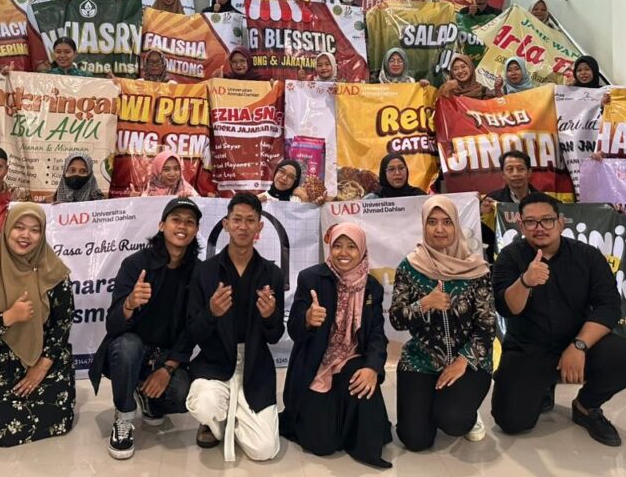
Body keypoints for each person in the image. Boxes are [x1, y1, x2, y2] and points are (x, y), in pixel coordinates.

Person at [491, 193, 626, 447]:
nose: (540, 228)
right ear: (521, 226)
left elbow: (609, 306)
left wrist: (579, 345)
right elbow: (507, 308)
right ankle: (543, 388)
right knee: (511, 421)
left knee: (624, 357)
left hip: (578, 341)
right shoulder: (509, 257)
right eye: (531, 222)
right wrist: (525, 281)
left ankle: (586, 406)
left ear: (560, 223)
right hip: (528, 348)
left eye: (547, 220)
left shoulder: (588, 256)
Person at [90, 197, 201, 459]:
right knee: (127, 347)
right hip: (131, 350)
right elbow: (112, 324)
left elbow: (192, 330)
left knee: (182, 396)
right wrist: (129, 303)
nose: (182, 226)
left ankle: (149, 399)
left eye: (189, 222)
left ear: (196, 230)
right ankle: (124, 415)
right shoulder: (135, 264)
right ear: (162, 225)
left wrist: (167, 369)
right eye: (176, 219)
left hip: (165, 355)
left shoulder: (198, 271)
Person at [0, 203, 75, 447]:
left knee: (57, 417)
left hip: (42, 357)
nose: (25, 235)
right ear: (7, 229)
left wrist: (41, 367)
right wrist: (7, 317)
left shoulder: (54, 273)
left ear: (42, 235)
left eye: (34, 230)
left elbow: (62, 323)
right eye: (19, 227)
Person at [184, 192, 284, 461]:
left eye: (250, 220)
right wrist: (211, 313)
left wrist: (270, 316)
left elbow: (275, 336)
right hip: (215, 362)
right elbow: (193, 331)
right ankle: (215, 423)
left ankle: (235, 416)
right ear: (226, 224)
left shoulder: (271, 274)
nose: (243, 227)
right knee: (204, 405)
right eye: (237, 220)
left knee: (264, 450)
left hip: (255, 365)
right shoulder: (205, 271)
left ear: (259, 227)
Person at [281, 223, 391, 467]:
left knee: (362, 383)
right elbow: (294, 330)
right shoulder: (311, 278)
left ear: (362, 250)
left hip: (352, 356)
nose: (343, 252)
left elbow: (376, 334)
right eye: (338, 246)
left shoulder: (371, 286)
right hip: (316, 362)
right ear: (330, 248)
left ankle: (352, 427)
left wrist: (372, 367)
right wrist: (307, 319)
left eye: (351, 246)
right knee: (321, 444)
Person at [389, 196, 494, 450]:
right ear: (423, 226)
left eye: (447, 222)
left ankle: (467, 412)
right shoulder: (410, 267)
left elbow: (487, 325)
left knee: (453, 420)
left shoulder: (476, 269)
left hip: (468, 361)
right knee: (415, 439)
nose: (439, 229)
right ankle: (436, 401)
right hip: (421, 359)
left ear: (456, 226)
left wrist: (462, 361)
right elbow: (396, 319)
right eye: (432, 222)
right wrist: (424, 304)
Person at [478, 150, 539, 264]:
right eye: (510, 169)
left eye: (520, 169)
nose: (515, 174)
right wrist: (482, 215)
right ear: (503, 175)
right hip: (503, 262)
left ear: (529, 172)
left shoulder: (545, 202)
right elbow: (484, 238)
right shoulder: (492, 200)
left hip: (538, 258)